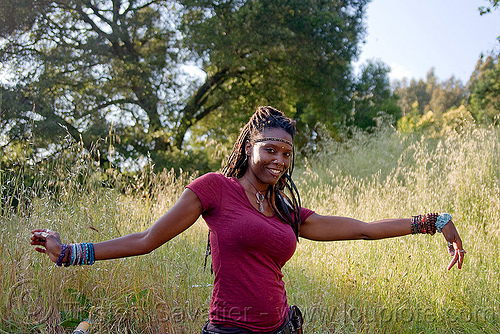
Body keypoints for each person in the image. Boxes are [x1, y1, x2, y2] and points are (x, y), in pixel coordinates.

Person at [31, 106, 465, 333]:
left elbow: (364, 229)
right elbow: (147, 239)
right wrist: (69, 252)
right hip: (229, 330)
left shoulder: (287, 212)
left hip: (280, 327)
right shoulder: (214, 189)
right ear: (249, 147)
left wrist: (434, 221)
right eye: (271, 148)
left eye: (288, 153)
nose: (279, 160)